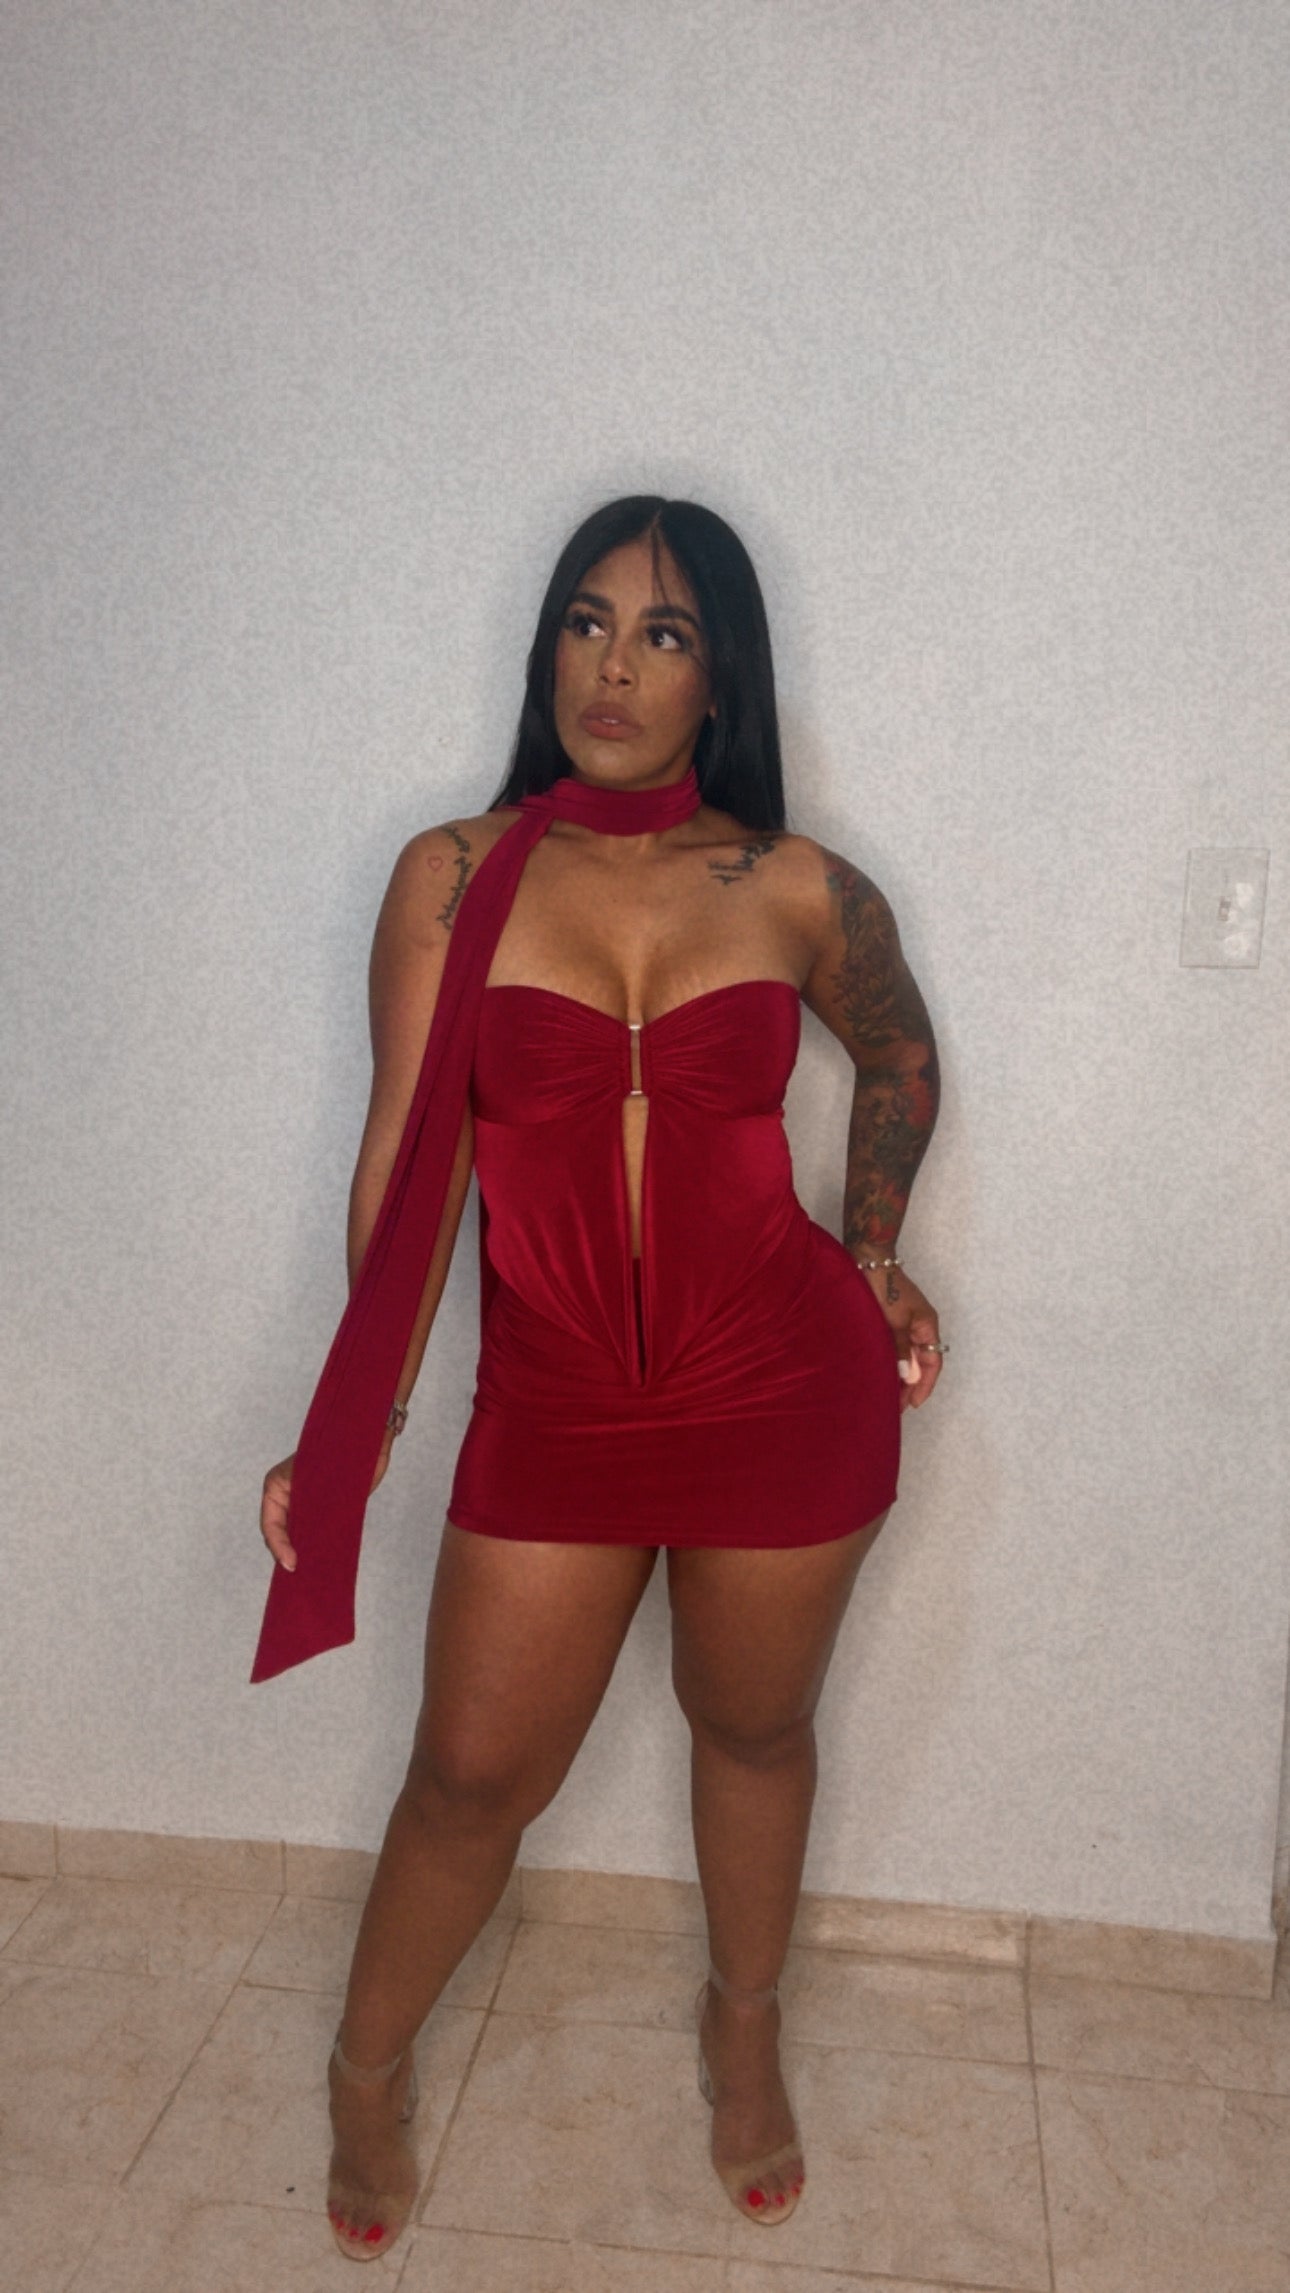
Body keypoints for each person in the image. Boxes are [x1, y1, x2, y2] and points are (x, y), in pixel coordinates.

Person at [257, 495, 944, 2264]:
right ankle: (362, 2066)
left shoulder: (792, 883)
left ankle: (742, 2027)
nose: (612, 667)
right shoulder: (455, 873)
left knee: (754, 1729)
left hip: (781, 1392)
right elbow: (406, 1161)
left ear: (720, 677)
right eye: (584, 621)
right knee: (468, 1775)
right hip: (556, 1403)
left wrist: (872, 1253)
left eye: (661, 632)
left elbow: (897, 1054)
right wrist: (353, 1422)